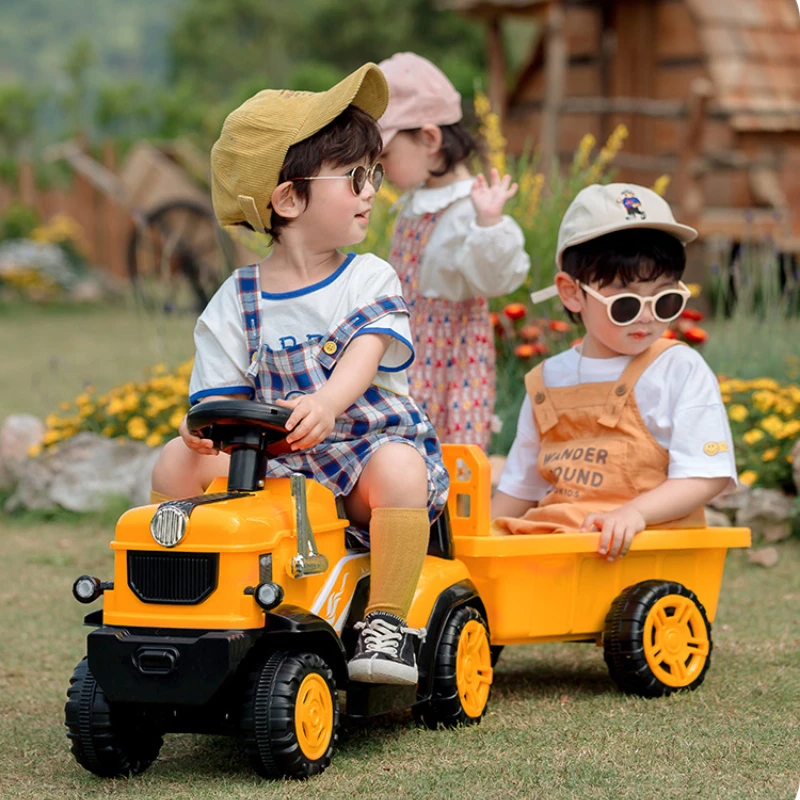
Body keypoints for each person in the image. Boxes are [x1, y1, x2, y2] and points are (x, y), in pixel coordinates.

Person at [150, 64, 449, 686]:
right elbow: (218, 395)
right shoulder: (237, 298)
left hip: (360, 456)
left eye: (374, 173)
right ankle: (175, 592)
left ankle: (387, 622)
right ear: (288, 199)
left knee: (401, 468)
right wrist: (198, 428)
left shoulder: (368, 277)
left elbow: (366, 351)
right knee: (173, 462)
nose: (371, 190)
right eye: (355, 177)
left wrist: (329, 401)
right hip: (273, 469)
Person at [492, 184, 737, 560]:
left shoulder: (678, 369)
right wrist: (479, 536)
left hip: (646, 548)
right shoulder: (547, 380)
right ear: (572, 293)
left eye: (665, 299)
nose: (647, 316)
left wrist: (634, 513)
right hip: (559, 543)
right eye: (625, 303)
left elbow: (706, 474)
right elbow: (520, 488)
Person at [377, 52, 530, 450]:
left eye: (385, 156)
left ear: (430, 139)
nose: (381, 169)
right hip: (406, 348)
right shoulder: (416, 201)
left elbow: (495, 279)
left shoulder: (470, 209)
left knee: (449, 446)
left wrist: (489, 225)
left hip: (451, 357)